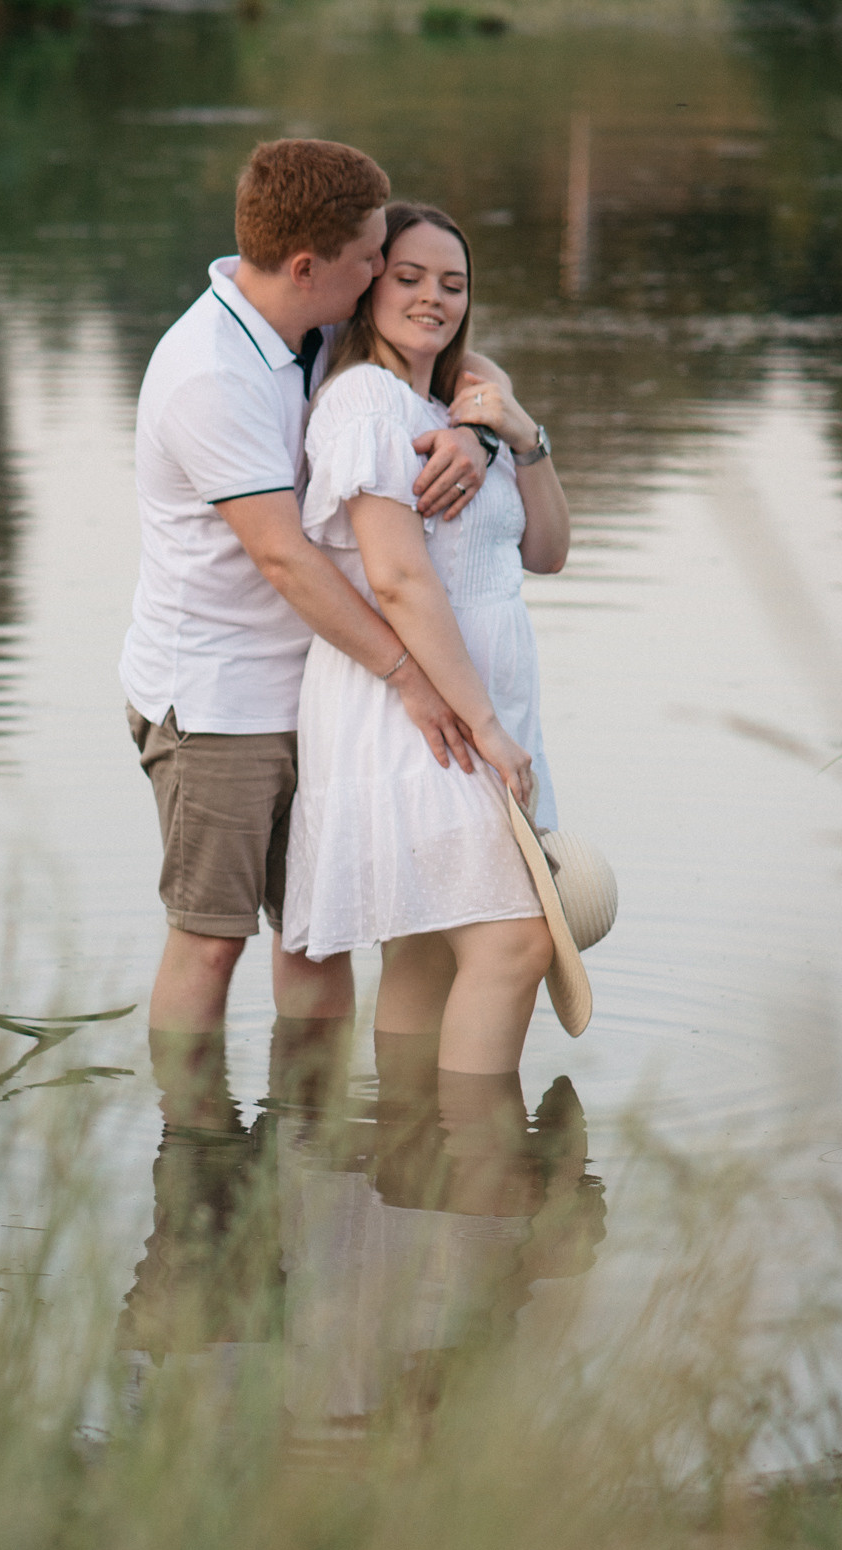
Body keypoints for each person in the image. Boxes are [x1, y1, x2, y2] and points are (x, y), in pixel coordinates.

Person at [120, 138, 494, 1050]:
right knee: (212, 942)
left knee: (317, 937)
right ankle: (194, 1131)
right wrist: (411, 678)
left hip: (322, 686)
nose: (380, 274)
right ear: (306, 267)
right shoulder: (209, 372)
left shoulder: (314, 328)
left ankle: (312, 1132)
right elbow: (284, 558)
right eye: (369, 258)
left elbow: (466, 366)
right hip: (218, 700)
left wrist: (477, 434)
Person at [279, 203, 574, 1080]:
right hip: (418, 716)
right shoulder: (367, 400)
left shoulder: (455, 411)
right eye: (408, 277)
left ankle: (408, 1148)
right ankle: (479, 1153)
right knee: (517, 942)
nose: (432, 299)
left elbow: (548, 551)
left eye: (453, 284)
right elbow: (399, 577)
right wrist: (485, 727)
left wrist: (521, 436)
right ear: (369, 285)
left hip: (475, 708)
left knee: (427, 949)